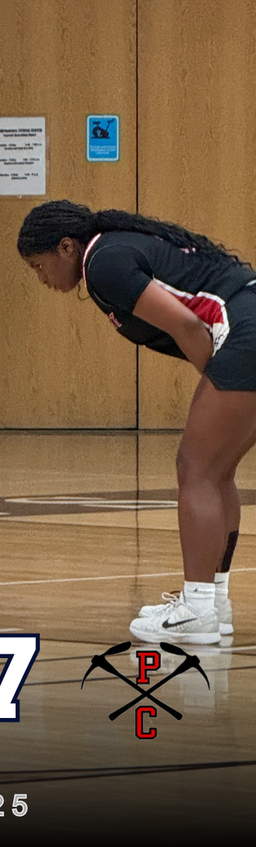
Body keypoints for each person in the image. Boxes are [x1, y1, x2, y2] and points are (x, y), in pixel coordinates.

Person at [18, 199, 256, 644]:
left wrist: (221, 384)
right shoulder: (114, 248)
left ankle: (197, 610)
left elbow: (188, 327)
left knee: (196, 469)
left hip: (246, 334)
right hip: (248, 327)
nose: (42, 279)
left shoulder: (104, 264)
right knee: (217, 471)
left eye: (38, 266)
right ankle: (213, 603)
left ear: (66, 247)